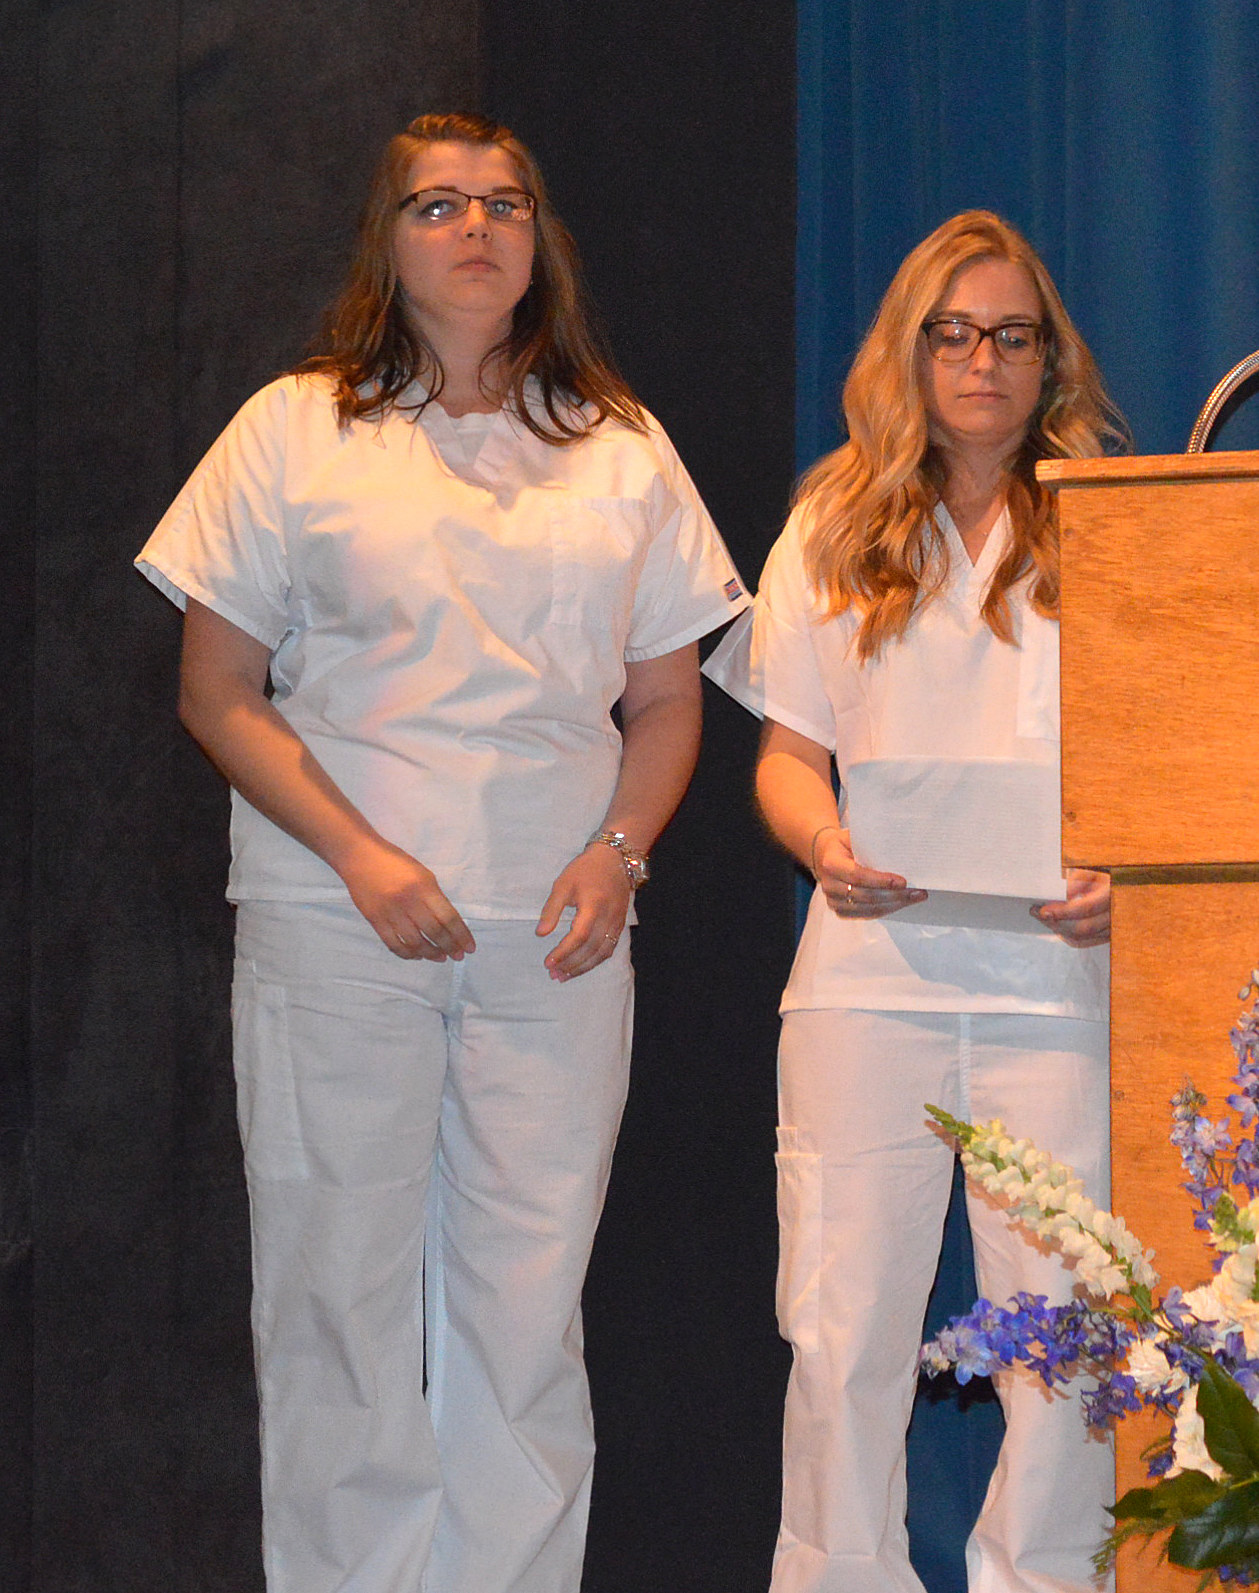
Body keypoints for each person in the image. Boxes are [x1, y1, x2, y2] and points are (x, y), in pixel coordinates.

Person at [135, 113, 748, 1592]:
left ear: (540, 240)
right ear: (389, 240)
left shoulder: (619, 444)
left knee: (526, 1307)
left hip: (558, 931)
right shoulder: (296, 427)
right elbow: (216, 690)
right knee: (337, 1299)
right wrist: (359, 855)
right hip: (338, 922)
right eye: (437, 204)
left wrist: (621, 854)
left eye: (503, 203)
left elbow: (668, 701)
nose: (474, 227)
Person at [706, 209, 1122, 1593]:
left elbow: (1167, 757)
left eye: (1010, 335)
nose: (982, 361)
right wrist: (823, 842)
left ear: (1050, 359)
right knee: (842, 1336)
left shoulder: (1115, 522)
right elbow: (783, 755)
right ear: (910, 351)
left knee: (1063, 1338)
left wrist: (1124, 873)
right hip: (866, 987)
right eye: (953, 333)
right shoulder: (832, 521)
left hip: (1054, 990)